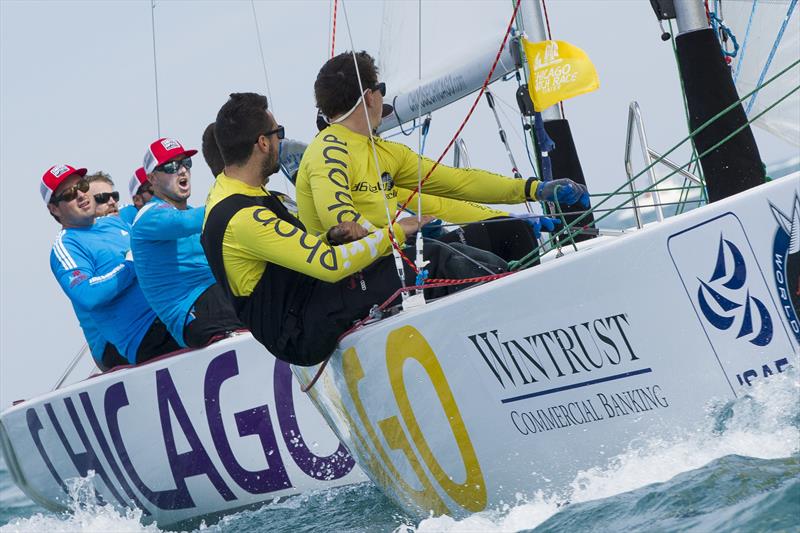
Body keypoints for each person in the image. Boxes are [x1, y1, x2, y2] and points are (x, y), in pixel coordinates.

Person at [202, 92, 505, 366]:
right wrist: (396, 232)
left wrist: (330, 237)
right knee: (434, 260)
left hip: (305, 302)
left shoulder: (232, 193)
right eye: (278, 133)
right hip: (302, 330)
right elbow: (331, 265)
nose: (282, 140)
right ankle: (505, 338)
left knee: (431, 254)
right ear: (263, 143)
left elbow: (282, 253)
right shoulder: (242, 217)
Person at [296, 51, 589, 260]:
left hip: (395, 257)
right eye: (381, 90)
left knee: (511, 230)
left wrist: (534, 189)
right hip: (362, 277)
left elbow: (458, 183)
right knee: (496, 243)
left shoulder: (384, 151)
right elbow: (345, 226)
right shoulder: (328, 151)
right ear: (371, 96)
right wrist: (401, 231)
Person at [43, 164, 182, 369]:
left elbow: (149, 205)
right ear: (54, 209)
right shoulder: (66, 245)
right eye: (70, 194)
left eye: (82, 186)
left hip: (165, 314)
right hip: (132, 339)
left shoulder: (114, 221)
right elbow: (89, 294)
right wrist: (130, 264)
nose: (81, 194)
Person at [131, 137, 243, 348]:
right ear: (152, 178)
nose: (182, 170)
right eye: (171, 166)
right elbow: (183, 223)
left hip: (216, 298)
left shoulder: (195, 214)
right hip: (192, 312)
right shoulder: (148, 215)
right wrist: (239, 195)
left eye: (186, 163)